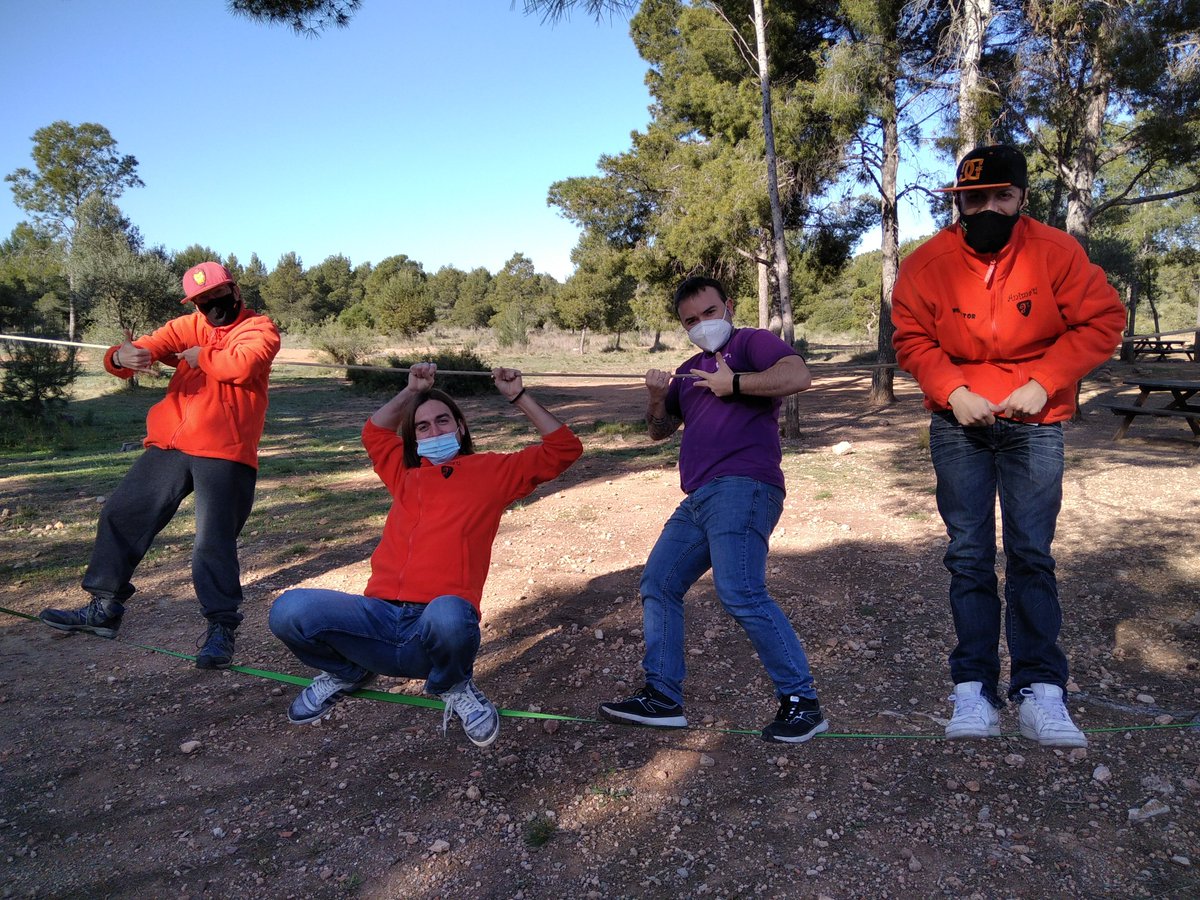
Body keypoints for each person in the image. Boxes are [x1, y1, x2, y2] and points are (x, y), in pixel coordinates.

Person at [892, 145, 1125, 748]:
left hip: (1035, 422)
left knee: (1031, 555)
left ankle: (1040, 691)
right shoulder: (926, 263)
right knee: (968, 555)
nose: (988, 208)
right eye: (975, 198)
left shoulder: (1056, 251)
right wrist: (952, 391)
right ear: (959, 201)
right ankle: (972, 689)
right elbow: (911, 338)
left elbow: (1103, 320)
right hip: (959, 426)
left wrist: (1044, 381)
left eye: (1003, 196)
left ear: (1022, 198)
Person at [268, 363, 582, 748]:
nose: (434, 431)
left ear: (460, 427)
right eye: (423, 427)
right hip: (378, 617)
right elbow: (374, 432)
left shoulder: (493, 471)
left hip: (435, 629)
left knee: (449, 612)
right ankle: (346, 673)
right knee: (288, 610)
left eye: (442, 421)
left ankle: (453, 684)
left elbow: (564, 449)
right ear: (414, 438)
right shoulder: (403, 472)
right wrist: (412, 391)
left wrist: (518, 396)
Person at [599, 276, 827, 744]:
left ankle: (803, 704)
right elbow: (659, 431)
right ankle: (662, 698)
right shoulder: (687, 369)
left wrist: (735, 382)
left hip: (744, 485)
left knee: (740, 590)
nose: (701, 324)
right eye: (690, 321)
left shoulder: (750, 343)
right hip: (699, 497)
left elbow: (798, 376)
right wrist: (656, 397)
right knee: (658, 583)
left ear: (728, 306)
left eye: (708, 312)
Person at [40, 261, 281, 669]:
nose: (211, 305)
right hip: (171, 443)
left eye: (217, 295)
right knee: (121, 513)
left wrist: (202, 356)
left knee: (213, 541)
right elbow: (146, 346)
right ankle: (105, 607)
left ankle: (221, 629)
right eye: (201, 300)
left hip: (226, 450)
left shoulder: (260, 329)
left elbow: (242, 365)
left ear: (235, 291)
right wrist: (122, 357)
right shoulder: (189, 326)